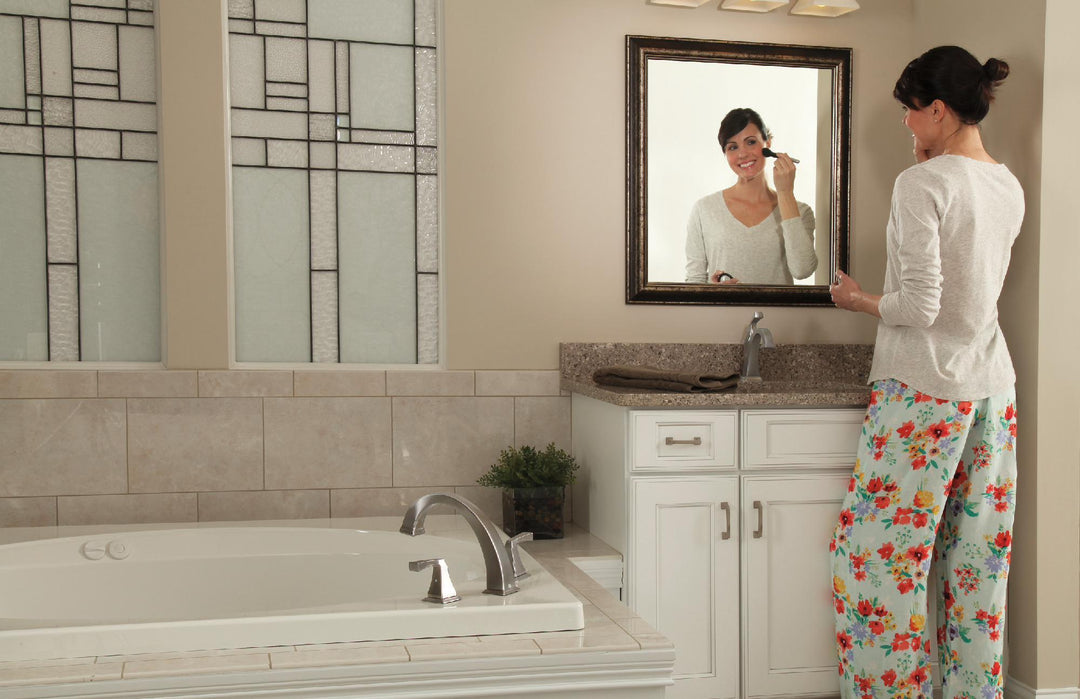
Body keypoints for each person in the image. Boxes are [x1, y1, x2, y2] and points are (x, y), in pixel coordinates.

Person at [829, 46, 1023, 698]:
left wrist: (857, 300)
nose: (905, 124)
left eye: (910, 111)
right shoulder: (1006, 184)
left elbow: (920, 306)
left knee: (874, 567)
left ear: (937, 109)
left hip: (922, 390)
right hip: (992, 390)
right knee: (976, 570)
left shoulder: (922, 184)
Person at [684, 107, 817, 285]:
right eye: (733, 147)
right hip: (721, 306)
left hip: (779, 306)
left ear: (768, 142)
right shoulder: (704, 210)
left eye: (751, 142)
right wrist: (713, 292)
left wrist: (785, 193)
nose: (742, 154)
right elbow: (694, 282)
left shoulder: (800, 211)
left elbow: (802, 270)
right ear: (725, 153)